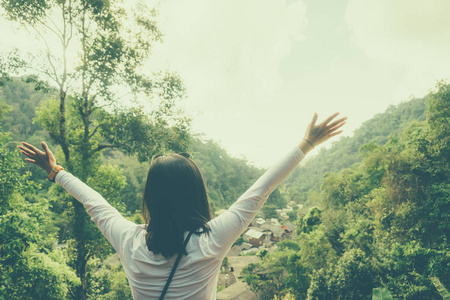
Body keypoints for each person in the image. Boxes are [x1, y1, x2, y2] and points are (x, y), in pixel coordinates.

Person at [18, 112, 346, 300]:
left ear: (150, 197)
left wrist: (55, 172)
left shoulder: (129, 241)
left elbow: (94, 202)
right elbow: (260, 190)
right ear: (196, 193)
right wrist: (307, 144)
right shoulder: (213, 239)